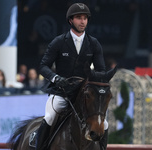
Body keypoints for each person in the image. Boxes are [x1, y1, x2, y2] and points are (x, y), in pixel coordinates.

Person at [36, 3, 107, 150]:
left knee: (104, 124)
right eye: (79, 18)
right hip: (62, 92)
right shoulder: (59, 42)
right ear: (71, 21)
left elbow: (101, 70)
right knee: (49, 117)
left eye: (85, 18)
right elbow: (43, 66)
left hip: (85, 94)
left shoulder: (93, 44)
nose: (83, 22)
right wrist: (56, 78)